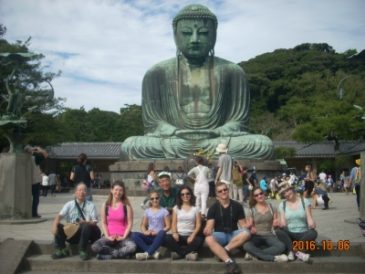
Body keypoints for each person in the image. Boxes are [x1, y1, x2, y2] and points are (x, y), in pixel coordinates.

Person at [121, 4, 273, 160]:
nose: (194, 39)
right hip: (175, 141)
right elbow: (153, 123)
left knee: (262, 144)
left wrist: (219, 131)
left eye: (203, 33)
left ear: (214, 35)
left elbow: (238, 121)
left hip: (216, 140)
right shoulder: (157, 73)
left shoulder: (232, 71)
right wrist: (173, 132)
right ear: (175, 35)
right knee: (130, 146)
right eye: (187, 33)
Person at [204, 182, 251, 274]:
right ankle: (229, 262)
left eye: (225, 190)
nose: (223, 192)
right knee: (208, 239)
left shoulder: (237, 206)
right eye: (220, 191)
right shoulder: (213, 208)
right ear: (217, 194)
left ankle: (224, 250)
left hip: (233, 234)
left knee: (247, 233)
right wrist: (207, 229)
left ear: (228, 190)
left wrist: (248, 226)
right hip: (220, 235)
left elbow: (243, 225)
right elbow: (210, 226)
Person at [51, 183, 101, 260]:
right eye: (80, 190)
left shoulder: (91, 205)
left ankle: (82, 250)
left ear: (86, 193)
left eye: (84, 190)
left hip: (85, 233)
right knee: (58, 225)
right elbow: (59, 216)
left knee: (86, 226)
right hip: (71, 233)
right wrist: (54, 225)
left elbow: (94, 222)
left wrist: (85, 222)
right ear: (75, 192)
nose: (82, 192)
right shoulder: (69, 204)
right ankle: (61, 249)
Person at [91, 181, 136, 259]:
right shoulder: (105, 205)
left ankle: (108, 255)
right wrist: (107, 236)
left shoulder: (126, 206)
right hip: (109, 236)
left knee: (132, 247)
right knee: (94, 247)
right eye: (116, 189)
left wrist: (123, 236)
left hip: (122, 237)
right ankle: (120, 254)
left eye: (120, 190)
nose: (118, 192)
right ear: (111, 190)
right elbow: (104, 223)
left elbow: (130, 223)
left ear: (123, 192)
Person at [275, 183, 317, 263]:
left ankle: (292, 250)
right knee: (279, 232)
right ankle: (298, 253)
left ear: (292, 189)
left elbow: (309, 218)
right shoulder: (282, 205)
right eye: (284, 193)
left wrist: (312, 223)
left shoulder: (305, 201)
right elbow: (283, 222)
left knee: (313, 233)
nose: (286, 194)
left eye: (287, 190)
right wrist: (280, 223)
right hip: (290, 234)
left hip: (303, 233)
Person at [243, 187, 287, 262]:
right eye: (256, 195)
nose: (259, 196)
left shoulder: (272, 207)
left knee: (281, 246)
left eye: (261, 193)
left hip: (269, 234)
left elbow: (276, 221)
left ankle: (254, 254)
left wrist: (276, 223)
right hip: (256, 235)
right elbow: (248, 225)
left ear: (264, 194)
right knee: (246, 245)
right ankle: (273, 258)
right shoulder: (251, 210)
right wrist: (250, 227)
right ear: (254, 198)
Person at [164, 186, 204, 261]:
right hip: (179, 236)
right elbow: (173, 223)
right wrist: (174, 233)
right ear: (180, 196)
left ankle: (179, 253)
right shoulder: (176, 208)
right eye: (182, 194)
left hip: (190, 237)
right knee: (166, 238)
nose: (185, 196)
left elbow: (198, 224)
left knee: (200, 239)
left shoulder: (196, 208)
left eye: (187, 193)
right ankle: (187, 254)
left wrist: (192, 235)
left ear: (191, 194)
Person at [132, 190, 170, 260]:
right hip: (149, 235)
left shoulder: (164, 211)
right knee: (133, 235)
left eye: (156, 198)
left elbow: (168, 226)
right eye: (152, 199)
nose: (155, 200)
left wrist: (158, 232)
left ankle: (147, 253)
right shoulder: (147, 211)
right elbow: (143, 225)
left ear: (159, 199)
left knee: (162, 232)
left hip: (159, 237)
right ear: (150, 200)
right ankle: (153, 253)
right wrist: (145, 232)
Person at [24, 145, 48, 218]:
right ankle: (34, 213)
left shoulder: (21, 159)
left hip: (24, 181)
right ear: (31, 151)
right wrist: (39, 149)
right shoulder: (35, 158)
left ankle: (25, 212)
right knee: (35, 197)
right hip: (34, 181)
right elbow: (46, 155)